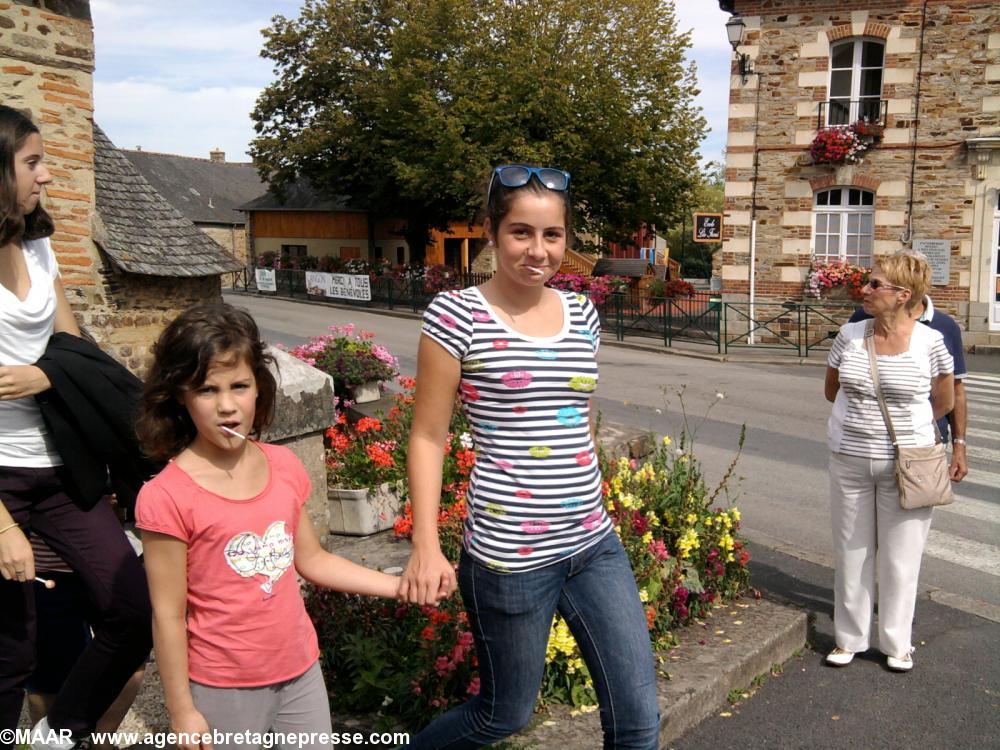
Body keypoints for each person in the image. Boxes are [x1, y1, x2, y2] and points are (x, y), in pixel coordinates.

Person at [400, 165, 660, 748]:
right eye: (521, 232)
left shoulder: (582, 314)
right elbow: (428, 436)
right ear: (492, 232)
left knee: (639, 723)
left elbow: (574, 417)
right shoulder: (455, 315)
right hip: (509, 559)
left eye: (552, 235)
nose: (537, 250)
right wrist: (425, 545)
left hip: (593, 544)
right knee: (503, 715)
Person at [135, 302, 401, 750]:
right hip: (224, 688)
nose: (226, 406)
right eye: (207, 390)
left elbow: (313, 560)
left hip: (300, 672)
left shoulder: (284, 465)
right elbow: (168, 615)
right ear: (180, 395)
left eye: (239, 386)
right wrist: (181, 711)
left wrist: (399, 586)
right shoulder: (166, 496)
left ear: (259, 387)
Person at [0, 105, 152, 749]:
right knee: (11, 654)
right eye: (33, 162)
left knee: (133, 610)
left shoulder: (38, 248)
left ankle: (57, 735)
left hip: (61, 471)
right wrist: (2, 528)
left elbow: (75, 351)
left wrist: (46, 376)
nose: (47, 175)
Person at [824, 252, 955, 672]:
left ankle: (897, 644)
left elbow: (944, 401)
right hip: (849, 459)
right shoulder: (849, 335)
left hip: (907, 466)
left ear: (903, 294)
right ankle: (849, 639)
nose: (865, 289)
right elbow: (832, 390)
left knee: (901, 560)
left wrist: (908, 433)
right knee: (851, 555)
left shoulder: (931, 342)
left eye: (875, 284)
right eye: (868, 281)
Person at [848, 249, 968, 481]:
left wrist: (959, 445)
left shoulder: (944, 327)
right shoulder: (862, 319)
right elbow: (838, 388)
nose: (865, 290)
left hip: (924, 442)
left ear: (906, 290)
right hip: (868, 444)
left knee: (914, 501)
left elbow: (955, 392)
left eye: (875, 283)